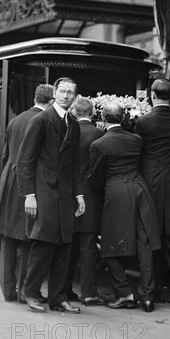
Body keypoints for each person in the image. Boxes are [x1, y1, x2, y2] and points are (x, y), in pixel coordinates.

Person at [16, 77, 85, 314]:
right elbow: (25, 160)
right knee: (43, 243)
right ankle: (31, 293)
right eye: (62, 91)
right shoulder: (41, 120)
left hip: (65, 192)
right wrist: (29, 195)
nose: (66, 96)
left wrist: (79, 195)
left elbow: (75, 163)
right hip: (43, 189)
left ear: (75, 97)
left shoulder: (73, 124)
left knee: (64, 244)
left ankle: (57, 298)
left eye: (70, 93)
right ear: (54, 93)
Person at [88, 103, 161, 312]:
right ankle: (147, 296)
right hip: (139, 189)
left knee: (111, 244)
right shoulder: (136, 140)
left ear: (103, 118)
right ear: (123, 117)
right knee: (144, 243)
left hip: (116, 191)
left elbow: (95, 175)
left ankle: (124, 293)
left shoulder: (99, 144)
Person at [0, 84, 54, 302]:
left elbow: (5, 156)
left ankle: (8, 290)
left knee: (8, 236)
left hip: (10, 179)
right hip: (30, 182)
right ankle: (25, 292)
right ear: (51, 101)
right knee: (28, 238)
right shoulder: (46, 122)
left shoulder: (15, 121)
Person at [135, 78, 170, 305]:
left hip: (149, 181)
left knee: (148, 237)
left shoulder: (144, 122)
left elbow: (138, 151)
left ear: (152, 95)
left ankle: (148, 293)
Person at [63, 97, 106, 306]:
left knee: (69, 244)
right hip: (90, 194)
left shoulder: (68, 132)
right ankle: (88, 292)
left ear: (75, 113)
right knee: (88, 245)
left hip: (70, 192)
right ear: (93, 113)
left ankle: (65, 288)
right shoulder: (99, 134)